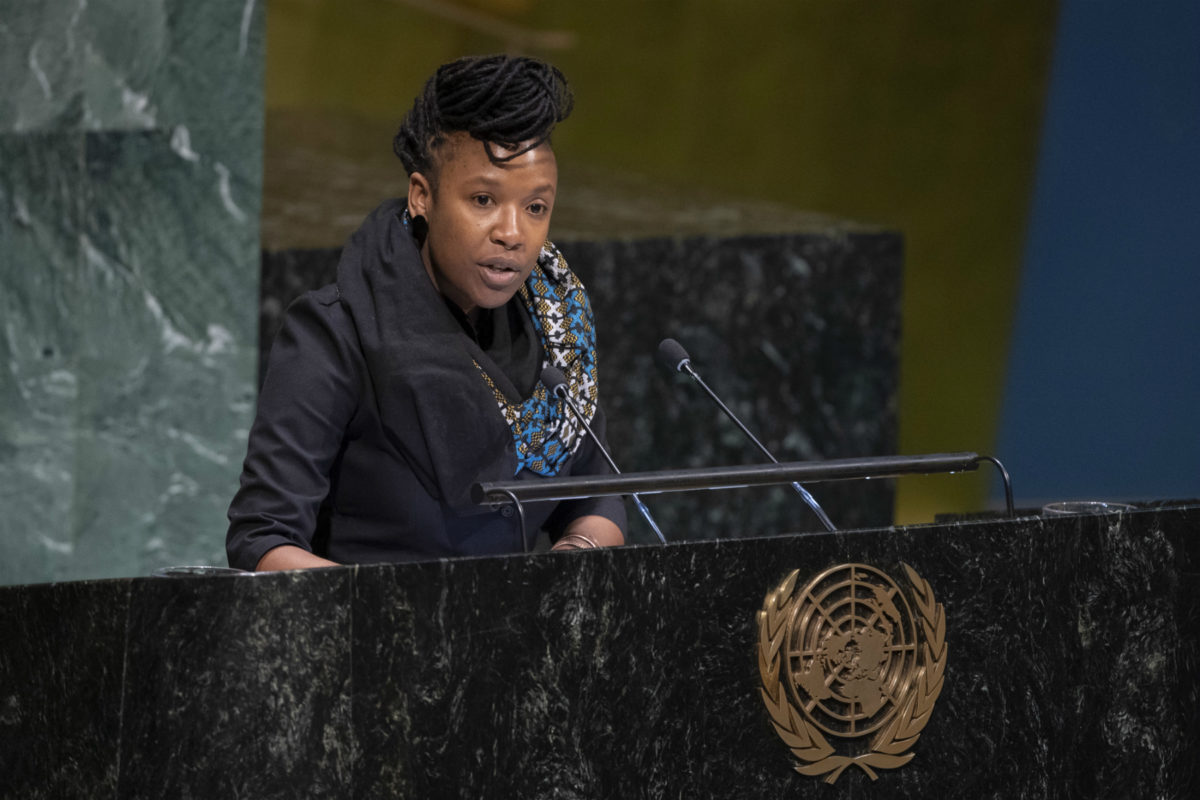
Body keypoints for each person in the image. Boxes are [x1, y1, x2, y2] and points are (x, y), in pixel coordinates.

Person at [226, 55, 627, 572]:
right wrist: (395, 615)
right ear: (422, 196)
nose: (512, 232)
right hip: (370, 642)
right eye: (483, 199)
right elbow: (262, 538)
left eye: (536, 207)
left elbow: (599, 497)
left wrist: (568, 564)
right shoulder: (335, 333)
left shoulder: (557, 332)